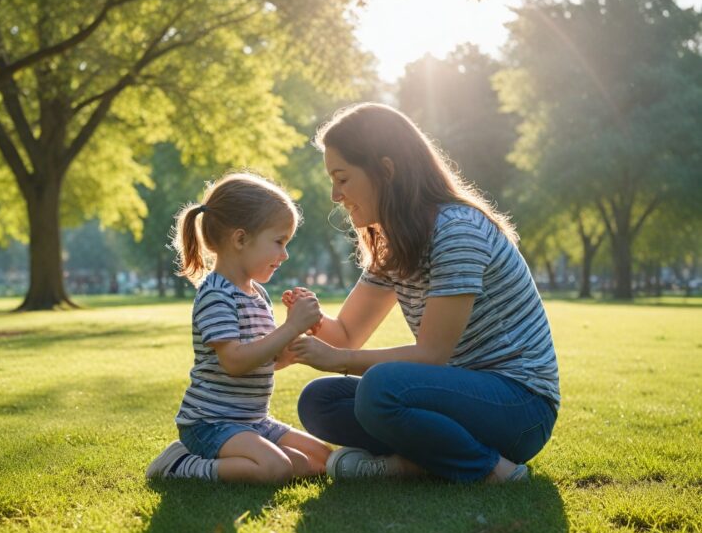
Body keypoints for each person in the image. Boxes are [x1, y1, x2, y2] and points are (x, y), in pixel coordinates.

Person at [290, 103, 560, 484]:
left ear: (386, 170)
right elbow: (347, 334)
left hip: (520, 408)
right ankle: (424, 461)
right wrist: (301, 328)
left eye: (343, 178)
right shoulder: (394, 241)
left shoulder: (457, 231)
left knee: (380, 388)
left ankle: (488, 470)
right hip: (455, 398)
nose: (335, 194)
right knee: (320, 401)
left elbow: (432, 355)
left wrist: (338, 360)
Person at [145, 172, 331, 483]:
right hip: (210, 423)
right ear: (241, 239)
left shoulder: (257, 294)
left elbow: (266, 361)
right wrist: (289, 328)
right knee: (278, 468)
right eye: (279, 242)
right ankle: (180, 464)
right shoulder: (216, 294)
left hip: (253, 421)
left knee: (321, 460)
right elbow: (235, 362)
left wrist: (299, 332)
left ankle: (257, 454)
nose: (285, 254)